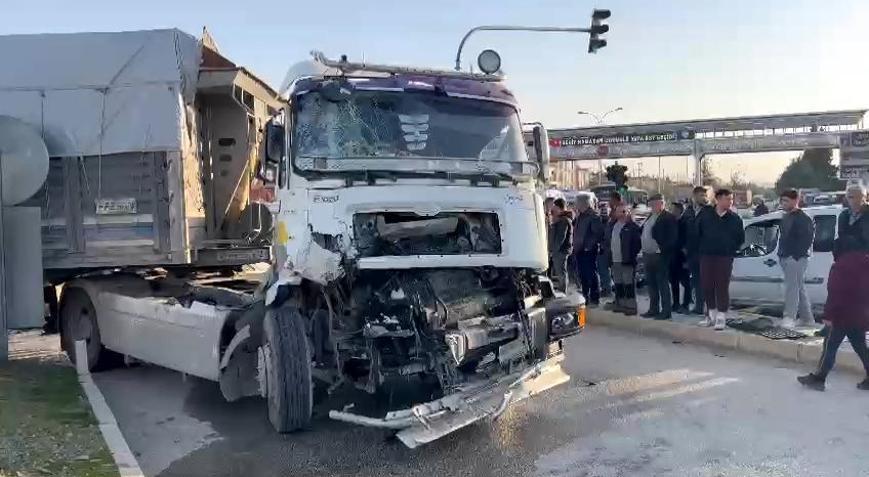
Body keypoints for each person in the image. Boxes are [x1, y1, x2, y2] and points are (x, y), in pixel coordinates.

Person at [797, 236, 869, 391]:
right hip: (860, 313)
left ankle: (819, 378)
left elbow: (835, 293)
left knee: (830, 345)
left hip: (842, 315)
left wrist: (828, 315)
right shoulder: (866, 263)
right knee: (860, 346)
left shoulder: (840, 266)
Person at [696, 188, 745, 330]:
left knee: (722, 286)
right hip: (706, 255)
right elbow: (696, 233)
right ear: (718, 199)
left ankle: (721, 316)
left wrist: (730, 248)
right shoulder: (705, 215)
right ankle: (710, 314)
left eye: (731, 199)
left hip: (724, 257)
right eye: (727, 199)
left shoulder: (735, 219)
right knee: (707, 285)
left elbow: (740, 238)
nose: (730, 202)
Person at [777, 189, 815, 329]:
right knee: (799, 288)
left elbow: (807, 239)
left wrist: (795, 256)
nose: (784, 203)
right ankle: (807, 318)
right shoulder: (786, 217)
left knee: (791, 288)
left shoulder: (803, 218)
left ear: (795, 200)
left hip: (797, 258)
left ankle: (789, 317)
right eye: (782, 200)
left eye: (786, 200)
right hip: (785, 256)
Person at [640, 194, 678, 320]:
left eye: (655, 204)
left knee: (662, 283)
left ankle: (666, 310)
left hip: (659, 255)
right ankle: (653, 308)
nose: (653, 206)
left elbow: (672, 238)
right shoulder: (651, 216)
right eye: (651, 204)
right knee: (651, 283)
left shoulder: (668, 217)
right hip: (647, 254)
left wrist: (662, 249)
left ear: (662, 203)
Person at [609, 203, 642, 315]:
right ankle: (621, 305)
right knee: (618, 283)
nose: (622, 214)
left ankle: (631, 307)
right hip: (615, 259)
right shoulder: (613, 225)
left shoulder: (632, 227)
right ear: (616, 213)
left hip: (627, 260)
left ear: (628, 212)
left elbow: (637, 244)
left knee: (628, 284)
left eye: (624, 211)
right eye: (620, 211)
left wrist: (631, 256)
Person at [572, 195, 604, 306]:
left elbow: (597, 234)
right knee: (583, 274)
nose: (575, 205)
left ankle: (595, 297)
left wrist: (588, 246)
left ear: (583, 203)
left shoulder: (593, 216)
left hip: (588, 250)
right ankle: (585, 295)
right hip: (579, 249)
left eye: (577, 203)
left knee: (591, 273)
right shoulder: (580, 216)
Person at [683, 186, 710, 315]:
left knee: (707, 280)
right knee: (696, 280)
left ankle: (709, 307)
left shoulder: (709, 211)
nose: (704, 198)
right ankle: (699, 306)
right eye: (701, 195)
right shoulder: (689, 212)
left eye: (705, 195)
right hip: (692, 252)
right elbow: (684, 230)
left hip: (705, 251)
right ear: (694, 196)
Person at [669, 202, 692, 314]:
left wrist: (687, 257)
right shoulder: (672, 222)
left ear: (678, 210)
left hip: (682, 257)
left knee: (686, 282)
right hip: (673, 257)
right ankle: (676, 303)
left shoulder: (685, 222)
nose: (671, 211)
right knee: (674, 282)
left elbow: (687, 240)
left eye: (673, 209)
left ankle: (686, 304)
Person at [548, 198, 573, 292]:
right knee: (560, 270)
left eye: (555, 206)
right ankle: (562, 288)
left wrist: (553, 250)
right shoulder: (560, 219)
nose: (553, 209)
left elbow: (560, 238)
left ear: (559, 208)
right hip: (559, 249)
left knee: (561, 271)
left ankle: (563, 289)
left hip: (561, 250)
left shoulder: (564, 221)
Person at [597, 200, 614, 298]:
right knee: (604, 270)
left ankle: (607, 289)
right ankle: (606, 288)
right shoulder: (606, 222)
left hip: (605, 249)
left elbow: (607, 237)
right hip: (605, 248)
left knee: (604, 270)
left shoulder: (607, 223)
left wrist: (603, 245)